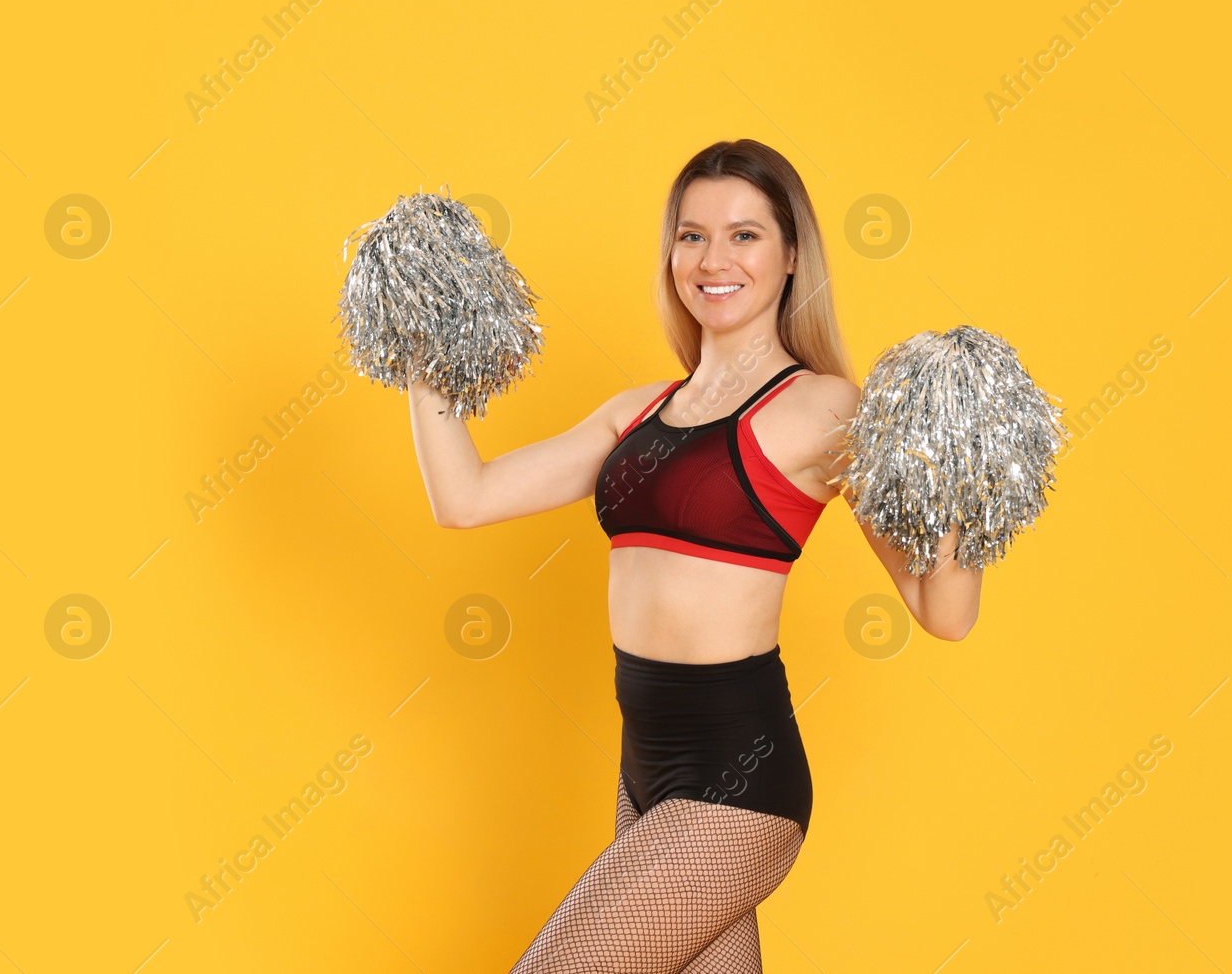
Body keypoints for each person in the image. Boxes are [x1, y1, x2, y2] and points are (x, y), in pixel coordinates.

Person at [407, 139, 984, 972]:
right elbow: (464, 499)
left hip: (736, 781)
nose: (714, 259)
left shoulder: (825, 410)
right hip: (642, 775)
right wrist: (424, 346)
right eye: (692, 235)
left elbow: (945, 612)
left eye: (745, 235)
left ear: (792, 257)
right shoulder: (635, 413)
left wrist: (966, 483)